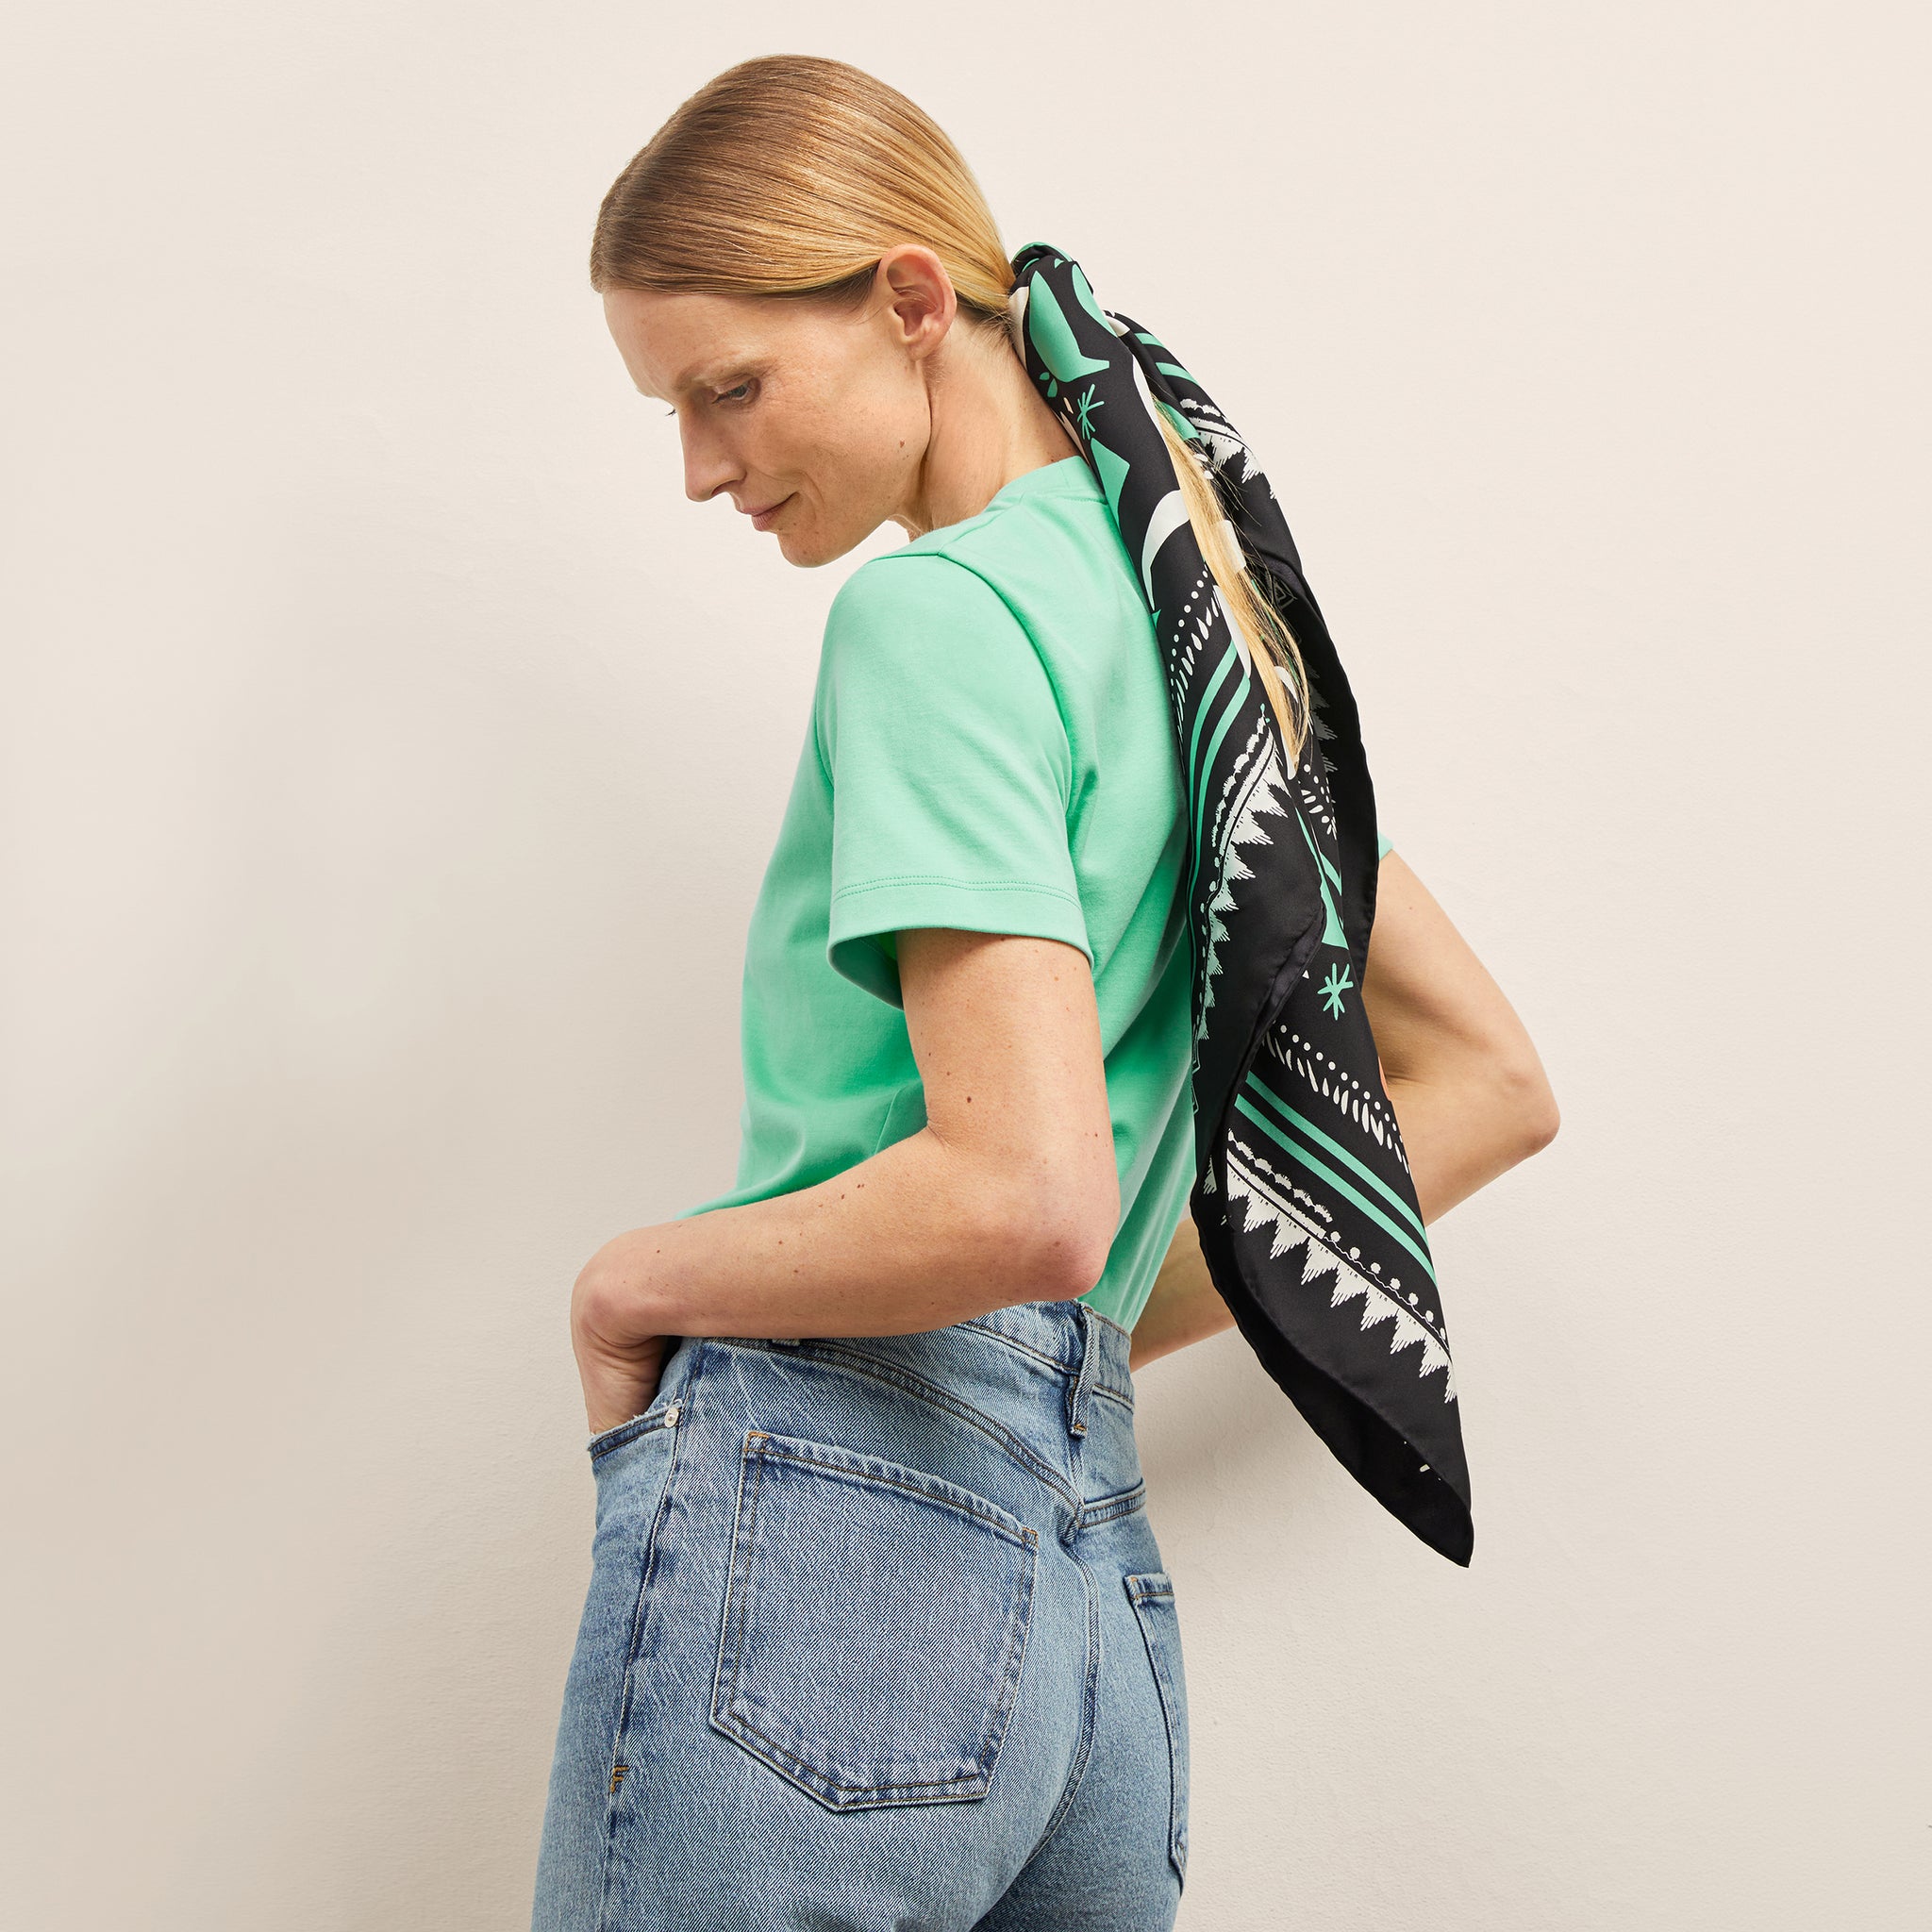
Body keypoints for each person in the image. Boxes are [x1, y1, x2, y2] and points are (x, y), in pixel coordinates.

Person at [530, 55, 1558, 1932]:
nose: (698, 466)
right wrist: (1056, 1341)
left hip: (840, 1526)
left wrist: (633, 1286)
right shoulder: (1202, 630)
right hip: (1084, 1594)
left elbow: (1020, 1194)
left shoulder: (938, 620)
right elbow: (1488, 1076)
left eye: (726, 387)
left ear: (913, 299)